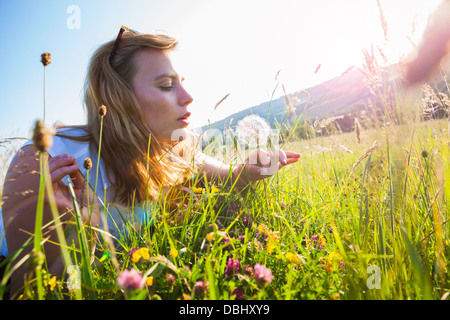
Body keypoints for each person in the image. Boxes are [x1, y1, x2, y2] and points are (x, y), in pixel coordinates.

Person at [0, 27, 300, 298]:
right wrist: (85, 228)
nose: (188, 97)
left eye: (181, 82)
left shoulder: (174, 149)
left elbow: (230, 178)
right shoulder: (45, 163)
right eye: (167, 85)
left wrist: (250, 170)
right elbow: (28, 291)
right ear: (120, 98)